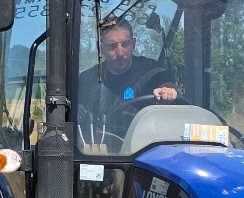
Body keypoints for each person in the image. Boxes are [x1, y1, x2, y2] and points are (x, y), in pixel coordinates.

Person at [76, 16, 177, 145]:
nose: (120, 53)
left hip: (143, 149)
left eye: (125, 44)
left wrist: (167, 92)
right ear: (101, 49)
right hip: (99, 150)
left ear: (133, 45)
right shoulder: (87, 80)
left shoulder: (151, 71)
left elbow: (167, 86)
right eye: (112, 46)